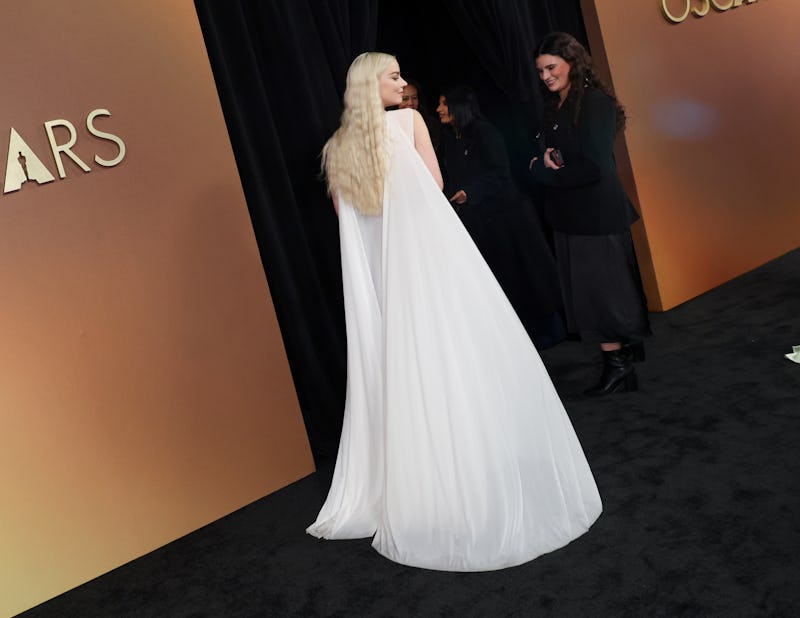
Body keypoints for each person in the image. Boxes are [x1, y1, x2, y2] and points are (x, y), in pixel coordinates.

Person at [306, 51, 601, 572]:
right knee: (457, 357)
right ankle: (472, 464)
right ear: (371, 85)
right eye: (393, 76)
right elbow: (435, 187)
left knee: (405, 372)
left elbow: (348, 221)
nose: (402, 83)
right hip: (429, 266)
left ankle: (419, 479)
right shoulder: (408, 122)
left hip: (383, 286)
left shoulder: (338, 149)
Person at [529, 32, 650, 396]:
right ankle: (621, 360)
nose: (545, 77)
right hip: (571, 214)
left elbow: (595, 167)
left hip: (596, 215)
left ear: (572, 62)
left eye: (551, 67)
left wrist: (545, 171)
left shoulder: (594, 103)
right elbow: (555, 154)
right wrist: (545, 163)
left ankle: (620, 366)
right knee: (591, 293)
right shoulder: (557, 105)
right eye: (540, 71)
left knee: (602, 294)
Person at [436, 85, 565, 349]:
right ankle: (526, 336)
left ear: (460, 107)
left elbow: (500, 173)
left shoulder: (484, 133)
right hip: (483, 222)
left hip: (510, 218)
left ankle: (551, 331)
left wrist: (469, 193)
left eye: (444, 104)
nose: (438, 109)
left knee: (528, 275)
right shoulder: (451, 139)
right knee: (507, 280)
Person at [400, 78, 440, 151]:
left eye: (414, 98)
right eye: (405, 99)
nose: (410, 103)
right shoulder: (389, 123)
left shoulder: (431, 124)